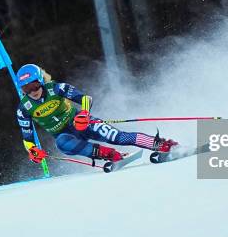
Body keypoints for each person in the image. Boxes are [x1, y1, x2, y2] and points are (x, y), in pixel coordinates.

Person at [15, 64, 178, 165]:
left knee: (118, 137)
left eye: (35, 86)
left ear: (41, 82)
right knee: (61, 143)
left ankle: (161, 145)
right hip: (66, 134)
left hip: (81, 123)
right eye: (26, 89)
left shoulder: (56, 88)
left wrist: (85, 114)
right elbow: (28, 139)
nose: (32, 92)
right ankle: (110, 155)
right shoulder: (24, 109)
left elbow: (85, 98)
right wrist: (33, 151)